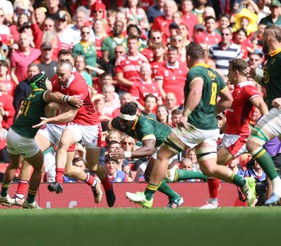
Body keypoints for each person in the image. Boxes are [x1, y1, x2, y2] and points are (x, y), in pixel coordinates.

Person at [125, 43, 257, 208]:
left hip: (195, 125)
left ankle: (148, 196)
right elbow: (228, 99)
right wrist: (212, 112)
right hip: (211, 127)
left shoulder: (195, 72)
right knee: (209, 167)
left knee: (163, 155)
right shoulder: (214, 73)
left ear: (188, 57)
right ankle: (244, 182)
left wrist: (186, 114)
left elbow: (196, 91)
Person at [36, 57, 116, 207]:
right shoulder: (56, 79)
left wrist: (49, 120)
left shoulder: (79, 85)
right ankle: (58, 182)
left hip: (90, 125)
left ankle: (106, 186)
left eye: (62, 75)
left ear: (71, 71)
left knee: (93, 166)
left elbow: (70, 114)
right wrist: (59, 97)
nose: (59, 78)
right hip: (75, 124)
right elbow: (53, 96)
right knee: (63, 143)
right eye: (58, 74)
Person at [0, 73, 83, 208]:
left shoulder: (30, 95)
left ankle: (3, 194)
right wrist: (68, 97)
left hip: (12, 133)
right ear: (42, 83)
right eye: (47, 80)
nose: (49, 82)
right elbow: (53, 96)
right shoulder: (43, 93)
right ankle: (30, 201)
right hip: (23, 137)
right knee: (40, 168)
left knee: (13, 164)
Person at [109, 103, 207, 208]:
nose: (122, 124)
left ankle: (155, 197)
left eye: (125, 121)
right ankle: (204, 176)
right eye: (121, 120)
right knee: (168, 176)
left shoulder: (143, 125)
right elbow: (104, 125)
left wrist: (125, 154)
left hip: (169, 141)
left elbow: (149, 149)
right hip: (158, 144)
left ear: (133, 119)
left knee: (151, 175)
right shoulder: (118, 121)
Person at [246, 25, 281, 205]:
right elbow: (271, 81)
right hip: (275, 111)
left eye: (262, 35)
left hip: (279, 112)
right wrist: (256, 75)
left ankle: (277, 183)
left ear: (269, 36)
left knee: (253, 143)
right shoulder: (271, 59)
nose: (260, 38)